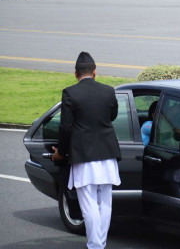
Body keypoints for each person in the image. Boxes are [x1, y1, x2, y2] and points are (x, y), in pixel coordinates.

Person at [52, 52, 121, 249]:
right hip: (107, 153)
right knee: (104, 203)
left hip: (83, 155)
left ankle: (95, 245)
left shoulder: (70, 93)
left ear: (75, 73)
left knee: (89, 204)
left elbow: (65, 127)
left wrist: (61, 153)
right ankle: (100, 244)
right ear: (95, 72)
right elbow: (112, 115)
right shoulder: (109, 91)